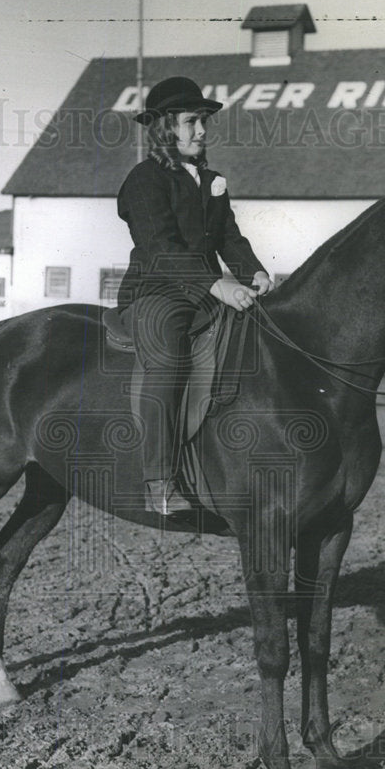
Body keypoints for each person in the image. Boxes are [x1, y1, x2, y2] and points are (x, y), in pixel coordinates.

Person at [115, 76, 272, 515]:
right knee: (168, 358)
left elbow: (229, 238)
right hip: (156, 295)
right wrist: (217, 284)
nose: (201, 131)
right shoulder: (144, 180)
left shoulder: (213, 180)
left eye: (203, 122)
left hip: (205, 292)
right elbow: (160, 249)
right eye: (191, 122)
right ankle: (160, 482)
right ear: (165, 128)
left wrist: (253, 271)